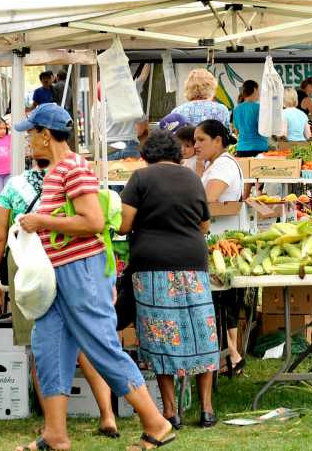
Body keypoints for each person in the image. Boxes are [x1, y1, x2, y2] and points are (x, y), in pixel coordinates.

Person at [12, 104, 173, 451]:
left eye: (31, 133)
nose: (28, 140)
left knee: (101, 346)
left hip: (81, 271)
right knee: (48, 347)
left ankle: (156, 423)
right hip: (59, 275)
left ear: (45, 134)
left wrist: (41, 222)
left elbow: (93, 221)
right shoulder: (56, 170)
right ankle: (55, 434)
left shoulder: (73, 168)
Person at [0, 161, 121, 439]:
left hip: (33, 268)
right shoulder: (76, 179)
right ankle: (107, 415)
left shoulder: (13, 186)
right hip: (74, 262)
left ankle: (53, 424)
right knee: (88, 342)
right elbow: (99, 227)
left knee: (42, 345)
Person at [120, 131, 218, 428]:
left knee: (160, 335)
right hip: (193, 262)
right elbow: (204, 224)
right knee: (202, 332)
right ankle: (207, 409)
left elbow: (124, 225)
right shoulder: (192, 179)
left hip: (152, 266)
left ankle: (171, 411)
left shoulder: (140, 178)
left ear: (147, 153)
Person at [193, 119, 246, 376]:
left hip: (220, 243)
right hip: (218, 241)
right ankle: (231, 355)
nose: (196, 145)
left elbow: (205, 201)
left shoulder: (223, 166)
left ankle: (231, 355)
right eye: (194, 141)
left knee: (220, 302)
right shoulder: (216, 165)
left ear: (218, 140)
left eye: (201, 140)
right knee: (223, 303)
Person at [232, 80, 269, 157]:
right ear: (255, 90)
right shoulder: (260, 108)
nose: (259, 93)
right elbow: (265, 129)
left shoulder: (236, 109)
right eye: (258, 90)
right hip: (259, 148)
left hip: (242, 149)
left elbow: (237, 130)